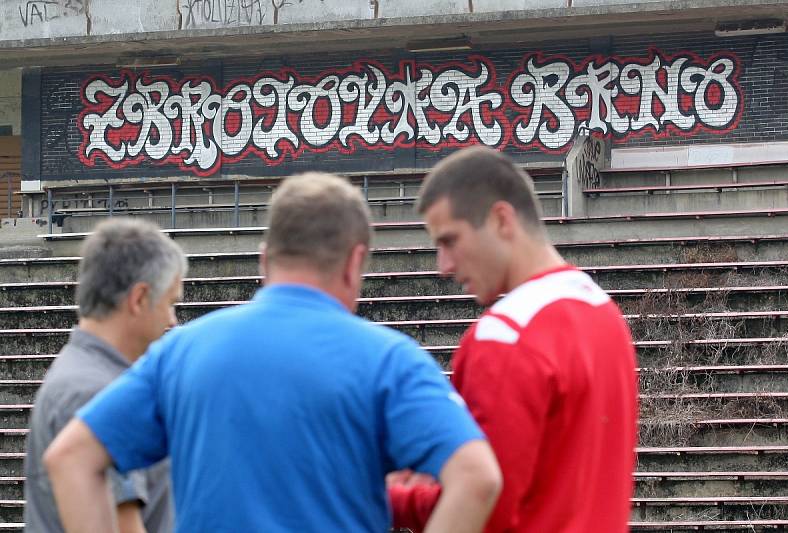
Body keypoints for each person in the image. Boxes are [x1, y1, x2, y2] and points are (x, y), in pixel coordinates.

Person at [43, 172, 502, 533]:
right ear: (355, 261)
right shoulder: (390, 361)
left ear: (265, 258)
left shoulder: (182, 351)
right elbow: (477, 477)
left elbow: (71, 459)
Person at [389, 146, 639, 532]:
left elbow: (483, 506)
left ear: (501, 219)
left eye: (450, 241)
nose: (444, 266)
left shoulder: (505, 336)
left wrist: (394, 498)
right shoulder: (603, 312)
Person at [25, 218, 185, 533]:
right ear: (139, 299)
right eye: (170, 304)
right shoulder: (95, 392)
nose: (173, 320)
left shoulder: (79, 374)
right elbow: (123, 525)